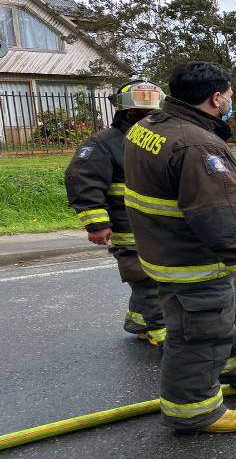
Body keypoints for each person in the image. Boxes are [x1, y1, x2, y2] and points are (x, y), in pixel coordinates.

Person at [123, 62, 236, 433]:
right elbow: (219, 216)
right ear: (215, 98)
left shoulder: (147, 127)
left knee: (230, 310)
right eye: (228, 95)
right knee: (198, 335)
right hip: (194, 260)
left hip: (166, 251)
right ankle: (193, 412)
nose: (230, 101)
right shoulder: (197, 145)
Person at [65, 80, 167, 348]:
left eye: (152, 112)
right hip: (128, 227)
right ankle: (161, 332)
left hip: (161, 227)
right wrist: (96, 223)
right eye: (139, 112)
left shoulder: (162, 139)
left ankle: (139, 321)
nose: (147, 118)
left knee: (149, 276)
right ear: (124, 112)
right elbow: (83, 180)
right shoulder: (104, 143)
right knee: (146, 278)